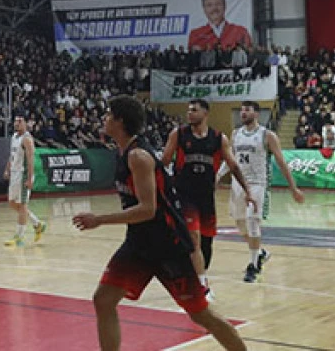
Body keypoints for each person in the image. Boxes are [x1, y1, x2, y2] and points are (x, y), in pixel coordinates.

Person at [73, 95, 248, 351]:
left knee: (201, 315)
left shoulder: (139, 157)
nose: (104, 118)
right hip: (139, 244)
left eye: (109, 114)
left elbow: (147, 209)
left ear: (120, 121)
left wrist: (99, 220)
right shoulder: (123, 153)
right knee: (103, 299)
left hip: (169, 245)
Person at [162, 98, 255, 295]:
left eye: (194, 110)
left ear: (205, 113)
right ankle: (202, 287)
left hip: (205, 197)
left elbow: (233, 166)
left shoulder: (218, 138)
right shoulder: (178, 135)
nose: (189, 113)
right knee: (193, 239)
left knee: (205, 245)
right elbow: (163, 162)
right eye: (188, 110)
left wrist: (248, 191)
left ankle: (195, 275)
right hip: (184, 195)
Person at [229, 101, 304, 282]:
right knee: (240, 225)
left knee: (252, 222)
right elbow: (230, 160)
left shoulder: (267, 135)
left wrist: (293, 187)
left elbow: (281, 162)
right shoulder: (235, 134)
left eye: (247, 110)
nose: (243, 113)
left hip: (257, 184)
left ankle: (253, 266)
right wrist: (216, 177)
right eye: (241, 110)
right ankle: (260, 253)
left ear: (257, 114)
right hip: (238, 183)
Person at [3, 114, 46, 247]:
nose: (16, 123)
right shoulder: (14, 137)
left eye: (20, 121)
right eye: (15, 121)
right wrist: (7, 169)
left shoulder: (27, 139)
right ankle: (37, 224)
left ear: (26, 123)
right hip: (15, 174)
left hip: (23, 175)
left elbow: (30, 160)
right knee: (12, 203)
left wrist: (29, 178)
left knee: (22, 206)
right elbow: (12, 156)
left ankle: (19, 237)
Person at [187, 0, 252, 51]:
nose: (214, 8)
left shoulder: (240, 31)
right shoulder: (195, 34)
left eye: (218, 4)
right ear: (204, 9)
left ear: (225, 6)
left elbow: (248, 51)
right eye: (209, 5)